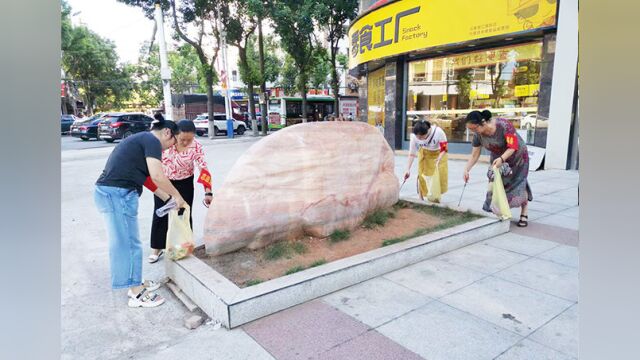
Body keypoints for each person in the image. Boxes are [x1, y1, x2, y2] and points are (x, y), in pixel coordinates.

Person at [94, 115, 185, 308]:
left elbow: (146, 179)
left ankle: (134, 282)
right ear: (167, 132)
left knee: (131, 242)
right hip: (117, 195)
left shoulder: (141, 140)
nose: (170, 148)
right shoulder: (152, 141)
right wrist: (177, 195)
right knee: (127, 244)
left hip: (116, 194)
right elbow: (158, 175)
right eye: (173, 143)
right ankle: (136, 293)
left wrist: (167, 199)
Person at [146, 119, 213, 263]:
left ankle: (183, 246)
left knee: (183, 213)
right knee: (160, 213)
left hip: (185, 183)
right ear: (175, 135)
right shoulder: (165, 144)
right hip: (164, 182)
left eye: (189, 140)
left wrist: (208, 191)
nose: (185, 143)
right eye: (182, 139)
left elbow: (203, 169)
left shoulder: (196, 146)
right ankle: (157, 248)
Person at [463, 110, 532, 227]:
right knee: (495, 184)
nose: (473, 132)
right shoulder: (478, 135)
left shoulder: (504, 125)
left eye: (474, 129)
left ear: (483, 123)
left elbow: (513, 146)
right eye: (471, 130)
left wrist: (502, 159)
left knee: (517, 182)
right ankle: (500, 211)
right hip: (497, 158)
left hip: (517, 157)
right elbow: (475, 154)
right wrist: (466, 169)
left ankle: (524, 210)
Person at [403, 119, 449, 201]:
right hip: (424, 153)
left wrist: (439, 158)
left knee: (437, 177)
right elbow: (412, 153)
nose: (419, 139)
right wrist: (407, 169)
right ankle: (421, 198)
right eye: (418, 137)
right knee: (422, 175)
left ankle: (434, 197)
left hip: (438, 154)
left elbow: (444, 148)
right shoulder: (414, 136)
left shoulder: (438, 132)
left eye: (421, 137)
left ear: (428, 131)